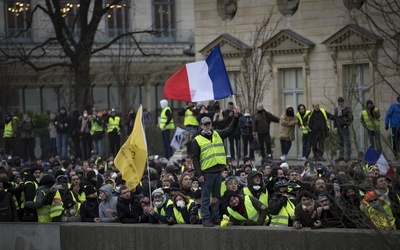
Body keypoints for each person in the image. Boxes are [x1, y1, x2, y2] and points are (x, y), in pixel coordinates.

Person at [192, 107, 240, 227]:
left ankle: (216, 218)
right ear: (201, 126)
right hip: (206, 173)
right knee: (206, 198)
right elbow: (195, 159)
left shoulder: (217, 134)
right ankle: (206, 219)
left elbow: (230, 129)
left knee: (217, 198)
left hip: (218, 171)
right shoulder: (197, 140)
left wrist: (236, 117)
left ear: (211, 124)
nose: (207, 126)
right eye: (205, 125)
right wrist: (199, 174)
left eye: (209, 124)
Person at [334, 97, 354, 162]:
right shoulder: (337, 109)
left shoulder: (347, 109)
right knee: (340, 142)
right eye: (339, 102)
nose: (340, 103)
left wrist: (346, 124)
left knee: (347, 142)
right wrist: (335, 126)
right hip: (339, 127)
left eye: (341, 102)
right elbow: (335, 118)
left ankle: (348, 156)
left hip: (345, 127)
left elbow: (351, 118)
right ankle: (341, 156)